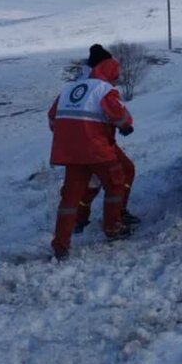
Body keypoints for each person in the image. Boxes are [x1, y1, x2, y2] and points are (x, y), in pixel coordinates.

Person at [48, 48, 135, 260]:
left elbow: (52, 117)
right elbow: (118, 114)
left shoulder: (69, 88)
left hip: (69, 150)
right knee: (116, 182)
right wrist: (126, 125)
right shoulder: (104, 89)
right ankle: (113, 227)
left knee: (70, 196)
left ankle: (61, 244)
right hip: (96, 148)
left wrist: (71, 135)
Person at [71, 45, 140, 233]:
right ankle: (116, 219)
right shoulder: (99, 84)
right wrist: (125, 125)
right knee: (123, 172)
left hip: (74, 141)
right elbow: (113, 111)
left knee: (91, 180)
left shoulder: (80, 82)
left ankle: (79, 219)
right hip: (96, 140)